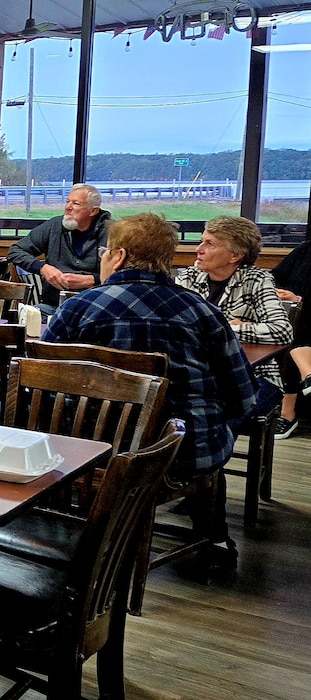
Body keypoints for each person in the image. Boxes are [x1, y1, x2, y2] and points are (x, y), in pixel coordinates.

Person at [44, 213, 258, 572]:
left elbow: (47, 382)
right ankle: (216, 541)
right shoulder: (202, 311)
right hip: (183, 453)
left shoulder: (78, 308)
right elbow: (242, 397)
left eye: (105, 251)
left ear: (121, 256)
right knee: (209, 430)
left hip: (95, 450)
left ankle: (81, 531)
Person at [175, 216, 292, 436]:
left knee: (216, 425)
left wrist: (230, 328)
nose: (199, 249)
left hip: (255, 376)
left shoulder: (257, 279)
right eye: (201, 241)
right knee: (174, 419)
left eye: (209, 244)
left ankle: (210, 468)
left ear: (235, 255)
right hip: (202, 376)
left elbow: (283, 331)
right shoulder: (188, 278)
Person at [6, 183, 111, 313]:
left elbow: (128, 273)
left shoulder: (112, 232)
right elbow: (15, 251)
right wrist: (42, 268)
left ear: (93, 211)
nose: (68, 207)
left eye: (76, 204)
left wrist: (94, 280)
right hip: (54, 307)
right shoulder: (55, 226)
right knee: (22, 320)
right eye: (67, 202)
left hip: (95, 308)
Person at [270, 239, 311, 436]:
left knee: (293, 331)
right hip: (296, 317)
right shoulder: (305, 249)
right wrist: (279, 293)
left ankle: (288, 413)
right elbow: (274, 277)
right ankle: (309, 376)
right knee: (290, 327)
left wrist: (300, 300)